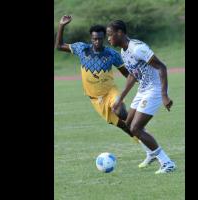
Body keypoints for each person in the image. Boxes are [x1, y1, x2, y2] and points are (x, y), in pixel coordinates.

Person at [55, 15, 151, 152]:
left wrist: (140, 81)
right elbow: (58, 46)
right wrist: (61, 26)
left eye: (100, 39)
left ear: (104, 38)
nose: (97, 42)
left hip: (110, 92)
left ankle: (143, 132)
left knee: (121, 111)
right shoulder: (82, 49)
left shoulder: (112, 54)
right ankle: (148, 149)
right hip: (96, 100)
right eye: (95, 39)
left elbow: (127, 73)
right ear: (91, 39)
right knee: (124, 126)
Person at [107, 20, 176, 174]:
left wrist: (164, 95)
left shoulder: (137, 48)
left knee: (136, 128)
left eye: (110, 35)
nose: (108, 39)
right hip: (143, 89)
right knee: (129, 124)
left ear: (120, 33)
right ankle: (152, 153)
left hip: (155, 89)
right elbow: (132, 74)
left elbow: (161, 66)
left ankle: (167, 163)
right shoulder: (124, 52)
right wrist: (120, 99)